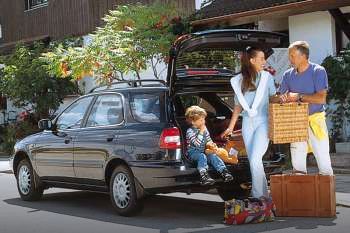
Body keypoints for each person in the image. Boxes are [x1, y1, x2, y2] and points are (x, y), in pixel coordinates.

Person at [271, 41, 333, 175]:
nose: (290, 59)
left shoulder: (318, 71)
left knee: (323, 161)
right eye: (290, 56)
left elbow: (321, 98)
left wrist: (298, 96)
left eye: (292, 55)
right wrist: (280, 98)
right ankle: (301, 193)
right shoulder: (288, 74)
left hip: (316, 121)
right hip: (296, 122)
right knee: (297, 165)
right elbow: (279, 96)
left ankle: (327, 194)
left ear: (304, 56)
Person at [221, 47, 276, 198]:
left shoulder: (267, 77)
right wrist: (231, 128)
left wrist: (285, 98)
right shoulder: (239, 80)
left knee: (255, 159)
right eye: (262, 59)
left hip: (263, 121)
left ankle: (257, 195)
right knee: (254, 160)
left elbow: (273, 99)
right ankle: (265, 196)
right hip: (247, 122)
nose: (264, 62)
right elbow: (238, 107)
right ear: (252, 60)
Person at [185, 105, 234, 186]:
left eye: (203, 119)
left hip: (204, 150)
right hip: (193, 153)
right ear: (193, 122)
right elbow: (196, 144)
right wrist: (201, 132)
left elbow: (208, 139)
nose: (204, 122)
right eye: (201, 120)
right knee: (201, 156)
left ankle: (224, 172)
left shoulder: (204, 129)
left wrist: (213, 145)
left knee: (213, 156)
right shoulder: (190, 131)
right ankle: (204, 175)